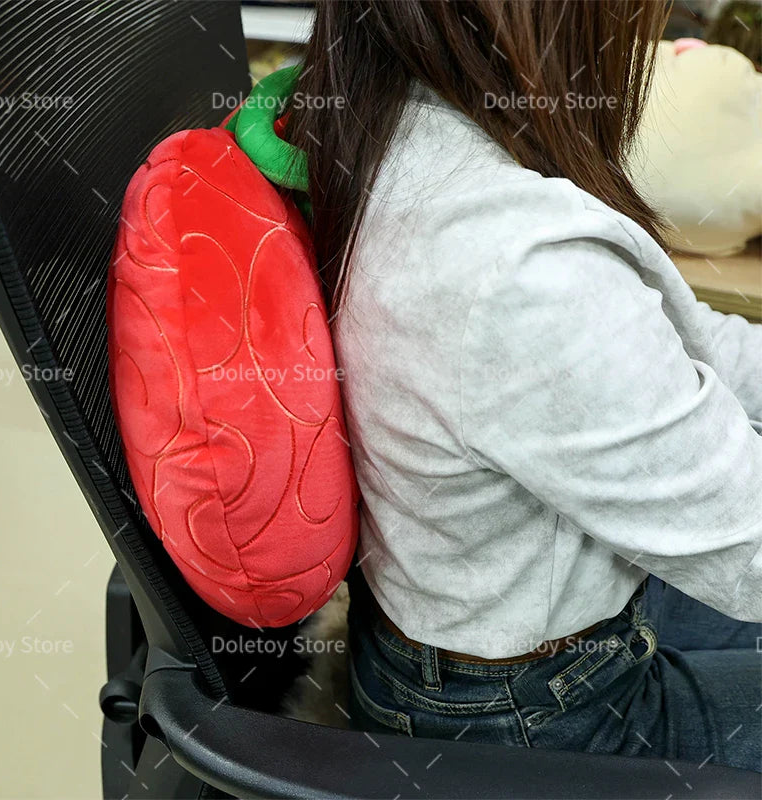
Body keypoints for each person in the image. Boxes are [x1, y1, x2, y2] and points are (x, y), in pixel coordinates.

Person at [286, 0, 762, 771]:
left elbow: (678, 342)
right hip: (533, 717)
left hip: (449, 647)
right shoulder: (525, 267)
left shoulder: (402, 130)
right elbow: (750, 548)